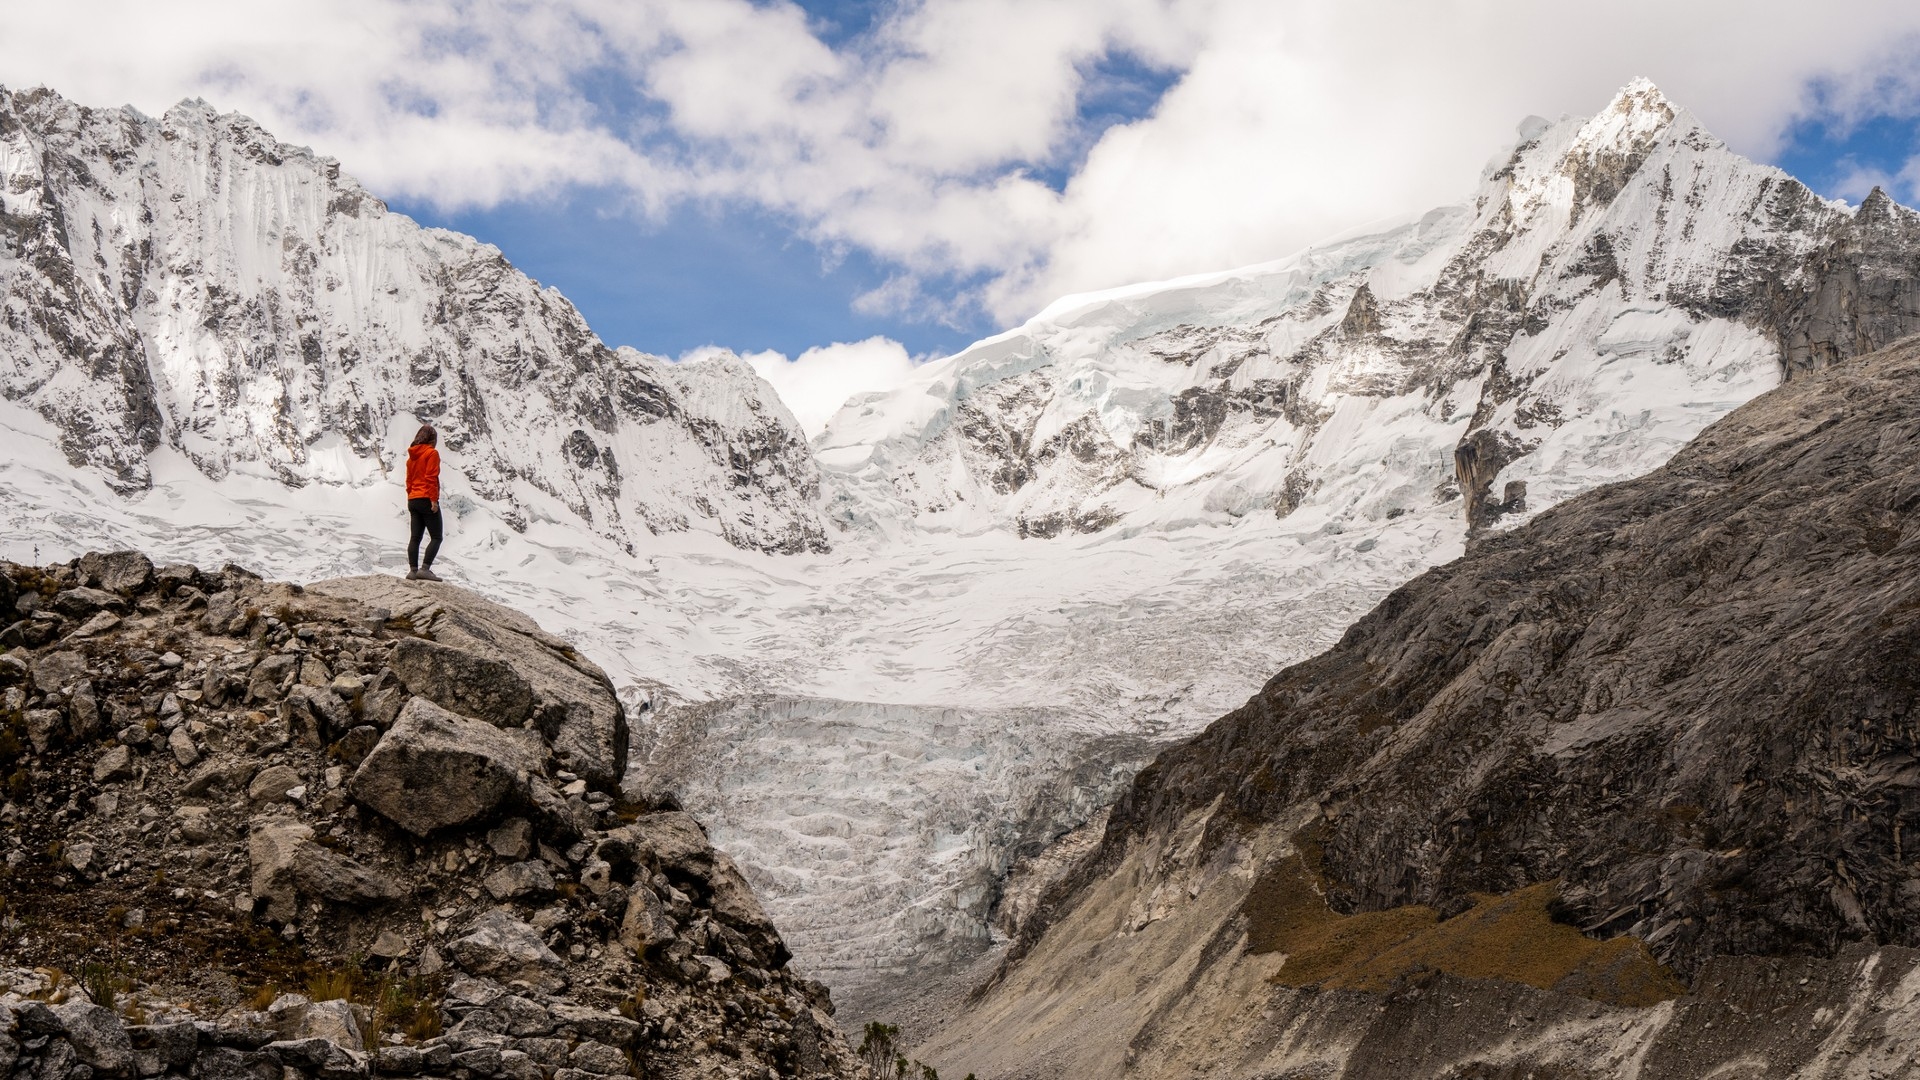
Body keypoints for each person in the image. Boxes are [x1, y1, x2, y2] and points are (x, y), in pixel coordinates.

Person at [405, 424, 444, 581]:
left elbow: (408, 481)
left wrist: (411, 495)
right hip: (426, 497)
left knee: (415, 537)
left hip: (413, 498)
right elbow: (431, 478)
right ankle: (425, 569)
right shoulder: (431, 453)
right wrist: (433, 500)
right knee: (436, 537)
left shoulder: (411, 458)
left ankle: (413, 571)